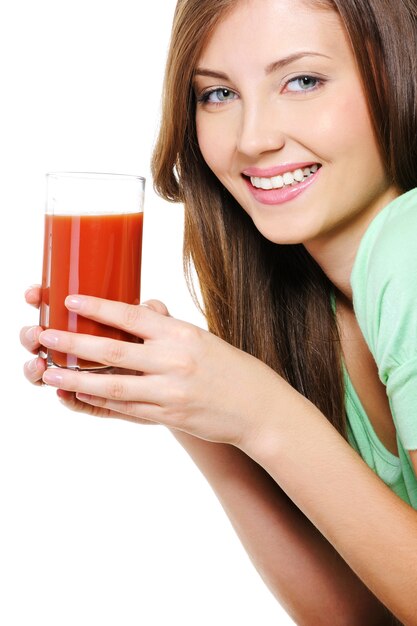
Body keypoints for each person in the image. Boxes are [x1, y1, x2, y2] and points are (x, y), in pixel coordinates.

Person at [20, 0, 417, 623]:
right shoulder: (310, 301)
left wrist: (265, 415)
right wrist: (194, 411)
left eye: (303, 80)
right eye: (217, 94)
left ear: (397, 72)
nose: (253, 138)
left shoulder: (410, 244)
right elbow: (357, 616)